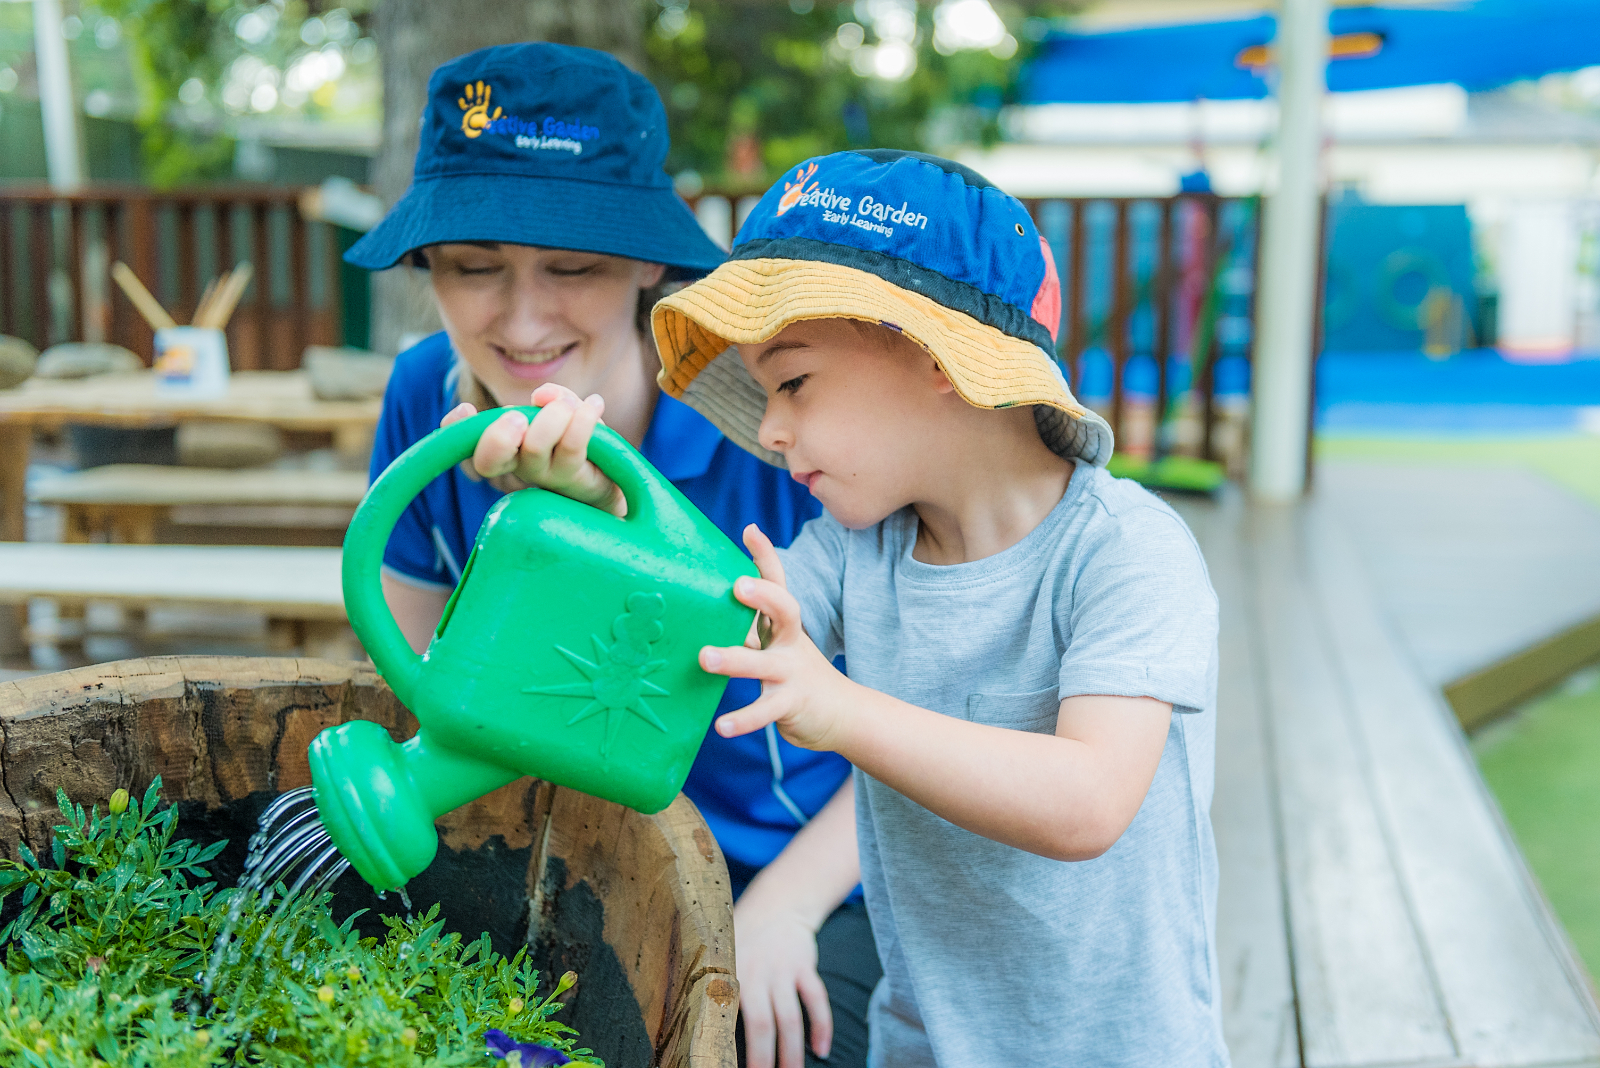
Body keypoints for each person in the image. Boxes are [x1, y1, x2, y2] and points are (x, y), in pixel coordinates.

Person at [530, 149, 1228, 1065]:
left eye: (794, 383)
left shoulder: (1124, 551)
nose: (770, 432)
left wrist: (837, 708)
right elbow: (708, 622)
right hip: (923, 1041)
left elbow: (1088, 803)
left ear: (938, 357)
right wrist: (593, 507)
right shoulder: (860, 551)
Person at [343, 44, 877, 1068]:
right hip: (546, 838)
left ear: (648, 267)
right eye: (474, 267)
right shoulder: (425, 397)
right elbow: (425, 686)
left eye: (574, 268)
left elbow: (919, 714)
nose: (524, 317)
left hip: (789, 865)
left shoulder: (772, 426)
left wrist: (781, 911)